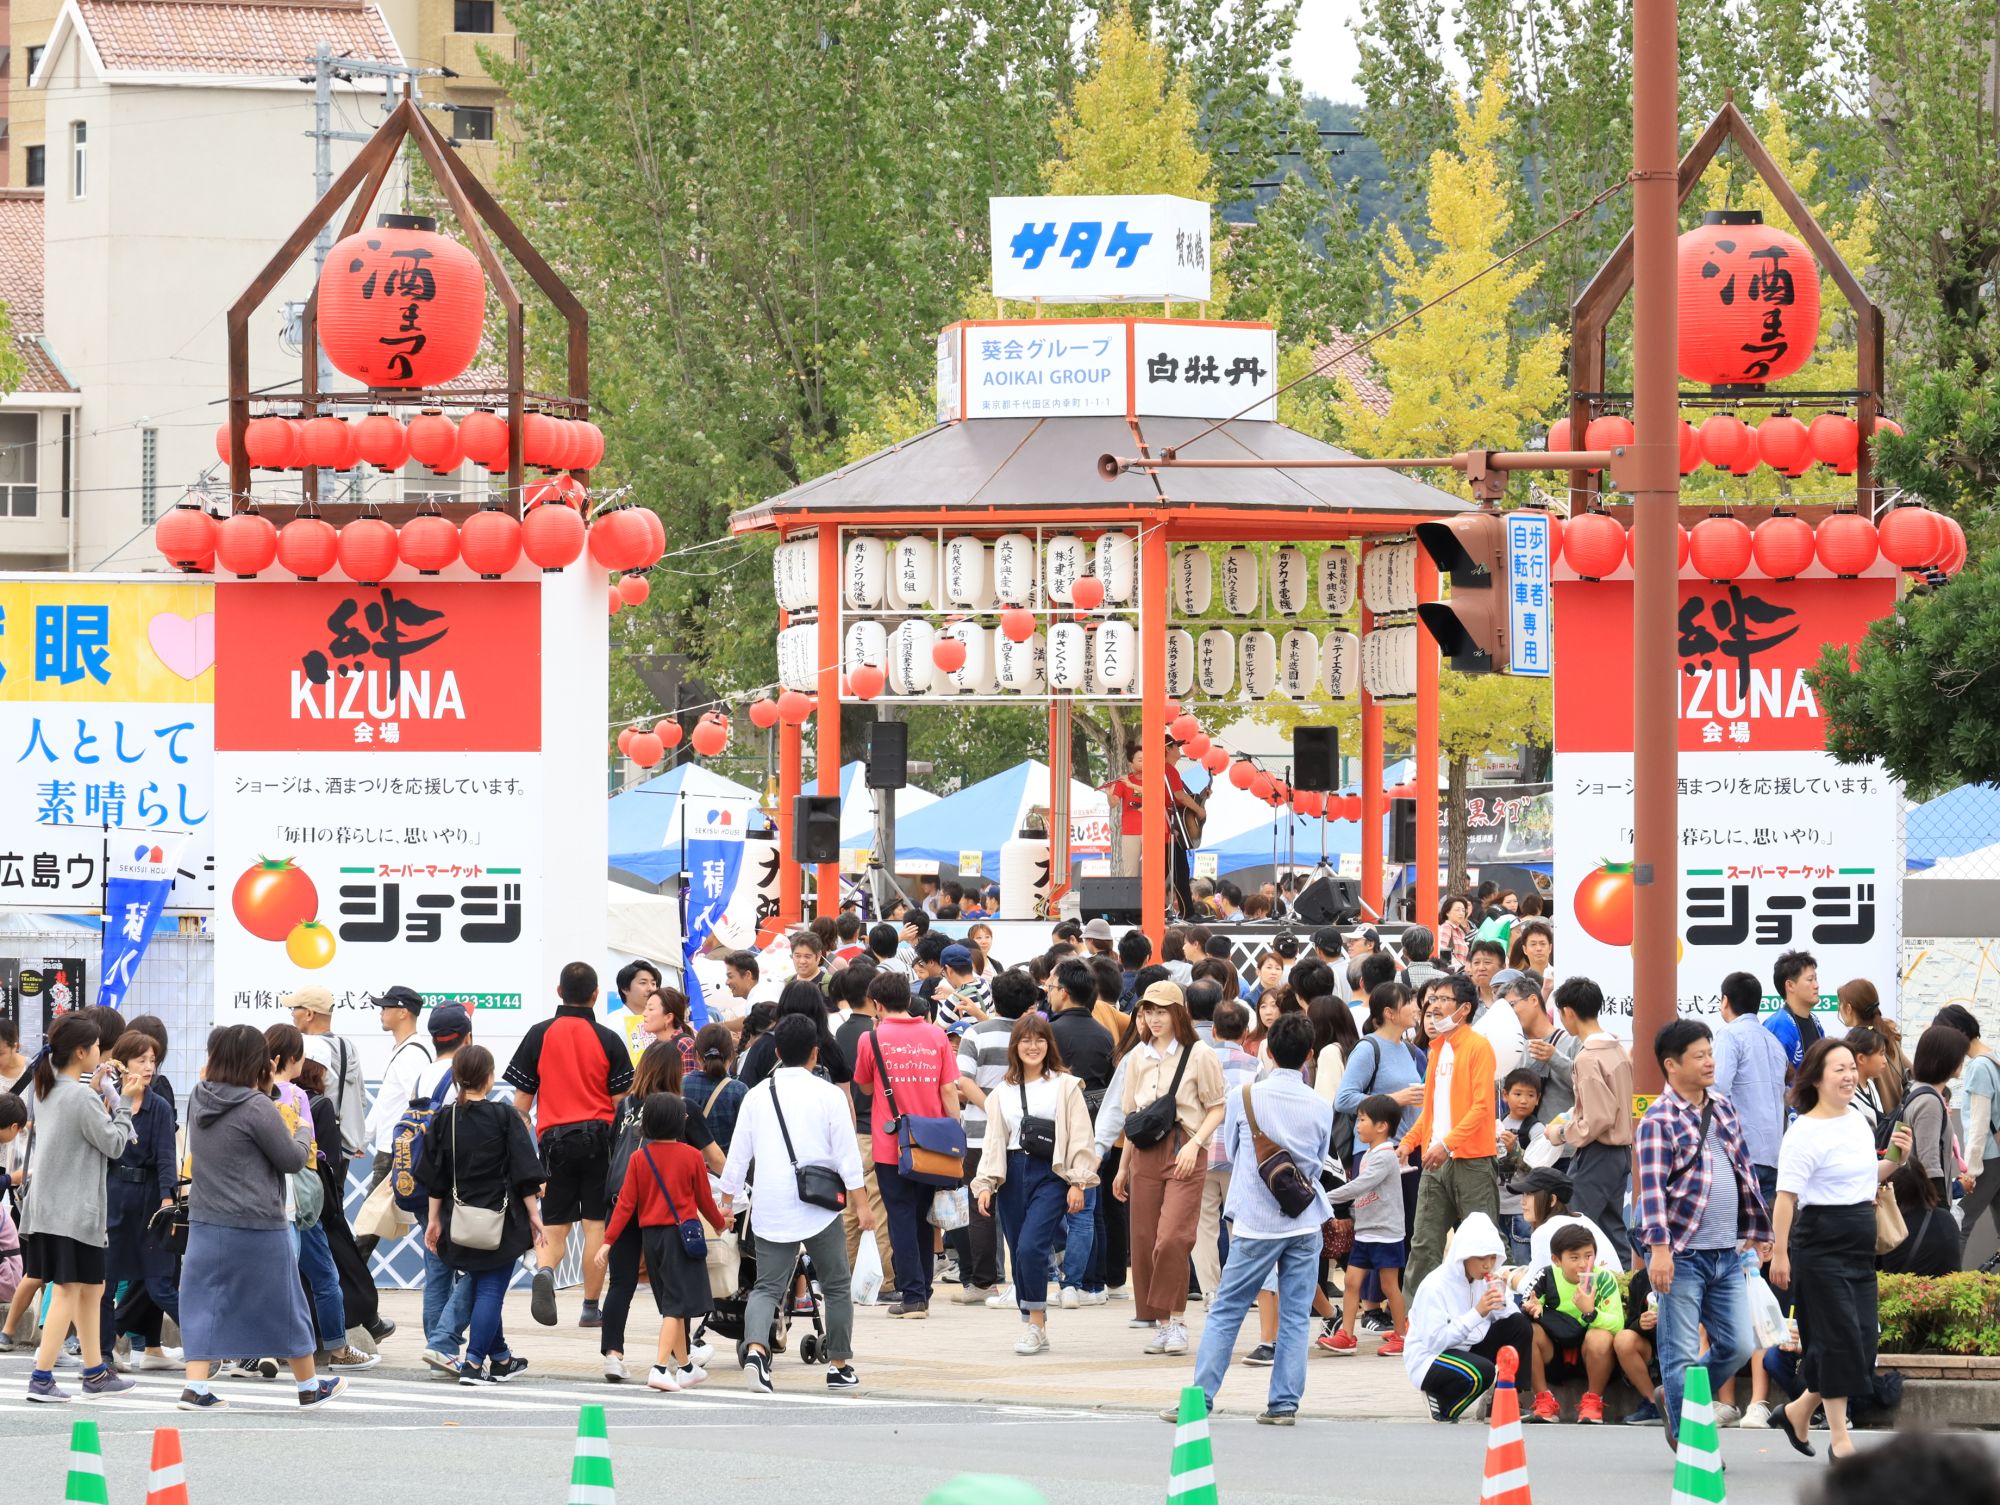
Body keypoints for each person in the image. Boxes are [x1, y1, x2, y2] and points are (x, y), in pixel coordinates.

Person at [1162, 1014, 1331, 1425]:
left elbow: (1237, 1153)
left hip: (1256, 1221)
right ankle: (1284, 1404)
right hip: (1305, 1219)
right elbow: (1319, 1160)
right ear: (1309, 1056)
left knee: (1227, 1311)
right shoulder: (1320, 1105)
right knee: (1294, 1315)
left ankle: (1200, 1400)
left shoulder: (1245, 1095)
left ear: (1267, 1051)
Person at [178, 1023, 341, 1412]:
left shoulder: (199, 1097)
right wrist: (302, 1129)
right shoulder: (256, 1106)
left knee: (203, 1302)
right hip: (256, 1223)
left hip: (205, 1219)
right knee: (287, 1303)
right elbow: (291, 1158)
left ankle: (195, 1388)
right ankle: (308, 1386)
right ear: (257, 1062)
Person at [1768, 1037, 1911, 1462]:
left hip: (1858, 1244)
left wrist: (1897, 1159)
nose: (1850, 1075)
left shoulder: (1857, 1121)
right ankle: (1839, 1439)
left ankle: (1796, 1411)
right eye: (1839, 1069)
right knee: (1837, 1340)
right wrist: (1780, 1253)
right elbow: (1786, 1198)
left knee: (1864, 1342)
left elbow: (1867, 1179)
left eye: (1853, 1067)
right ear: (1816, 1077)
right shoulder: (1803, 1132)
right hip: (1819, 1243)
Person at [1633, 1019, 1772, 1448]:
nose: (1710, 1061)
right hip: (1683, 1253)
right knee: (1679, 1355)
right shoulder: (1658, 1119)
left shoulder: (1723, 1106)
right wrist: (1660, 1250)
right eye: (1699, 1055)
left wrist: (1757, 1227)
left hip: (1727, 1253)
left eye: (1710, 1052)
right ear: (1672, 1065)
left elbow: (1743, 1168)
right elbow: (1652, 1189)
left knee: (1736, 1344)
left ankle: (1674, 1401)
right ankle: (1690, 1437)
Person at [719, 1015, 868, 1393]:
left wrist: (726, 1200)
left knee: (767, 1286)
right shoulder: (830, 1095)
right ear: (815, 1052)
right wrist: (861, 1204)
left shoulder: (756, 1096)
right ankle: (838, 1366)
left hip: (771, 1204)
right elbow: (847, 1155)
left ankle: (756, 1351)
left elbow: (737, 1156)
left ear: (778, 1052)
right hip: (820, 1207)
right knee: (835, 1285)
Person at [503, 962, 636, 1330]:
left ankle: (545, 1271)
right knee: (595, 1226)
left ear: (559, 993)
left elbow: (520, 1107)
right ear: (595, 995)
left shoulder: (538, 1034)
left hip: (553, 1141)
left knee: (556, 1225)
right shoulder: (609, 1039)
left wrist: (527, 1152)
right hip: (598, 1140)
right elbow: (620, 1105)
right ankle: (590, 1307)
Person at [19, 1013, 137, 1402]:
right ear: (83, 1052)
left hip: (50, 1208)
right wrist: (126, 1103)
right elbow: (116, 1144)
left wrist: (103, 1091)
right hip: (74, 1212)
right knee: (71, 1290)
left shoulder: (46, 1089)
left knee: (92, 1286)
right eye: (98, 1047)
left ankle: (95, 1372)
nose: (102, 1053)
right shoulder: (80, 1096)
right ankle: (41, 1376)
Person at [971, 1015, 1097, 1355]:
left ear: (1048, 1044)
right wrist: (985, 1183)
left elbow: (1082, 1137)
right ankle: (1031, 1321)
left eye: (1039, 1040)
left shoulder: (1066, 1085)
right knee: (1017, 1248)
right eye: (1025, 1040)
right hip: (1011, 1173)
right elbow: (994, 1140)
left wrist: (1078, 1181)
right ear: (1015, 1046)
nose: (1032, 1046)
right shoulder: (1002, 1092)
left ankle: (1036, 1323)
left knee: (1030, 1246)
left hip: (1051, 1173)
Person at [419, 1045, 545, 1387]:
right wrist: (534, 1216)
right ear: (489, 1078)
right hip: (501, 1222)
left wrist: (434, 1221)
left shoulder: (445, 1118)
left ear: (457, 1078)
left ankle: (501, 1358)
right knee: (490, 1291)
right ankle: (474, 1364)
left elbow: (435, 1177)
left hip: (458, 1221)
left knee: (481, 1286)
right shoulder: (504, 1116)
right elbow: (524, 1172)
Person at [1112, 980, 1225, 1356]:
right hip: (1144, 1152)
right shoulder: (1137, 1058)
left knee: (1173, 1237)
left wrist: (1196, 1144)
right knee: (1144, 1241)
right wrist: (1122, 1167)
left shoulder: (1200, 1054)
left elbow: (1217, 1107)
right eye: (1148, 1010)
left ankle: (1177, 1321)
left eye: (1162, 1010)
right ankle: (1161, 1323)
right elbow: (1132, 1116)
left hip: (1184, 1149)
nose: (1154, 1018)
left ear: (1179, 1012)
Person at [849, 970, 962, 1319]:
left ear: (878, 1004)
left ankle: (913, 1296)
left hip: (891, 1143)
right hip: (933, 1142)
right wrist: (954, 1134)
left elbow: (865, 1088)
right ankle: (922, 1289)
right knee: (924, 1216)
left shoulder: (871, 1039)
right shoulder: (936, 1035)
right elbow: (948, 1091)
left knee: (898, 1214)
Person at [596, 1092, 726, 1393]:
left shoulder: (639, 1158)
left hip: (650, 1238)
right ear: (675, 1122)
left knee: (672, 1301)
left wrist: (608, 1241)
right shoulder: (692, 1156)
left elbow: (626, 1205)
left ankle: (686, 1367)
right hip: (680, 1237)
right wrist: (720, 1224)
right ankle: (658, 1368)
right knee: (675, 1306)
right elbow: (704, 1201)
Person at [1400, 974, 1499, 1293]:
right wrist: (1408, 1142)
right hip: (1436, 1160)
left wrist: (1446, 1143)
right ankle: (1413, 1329)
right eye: (1433, 999)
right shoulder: (1437, 1048)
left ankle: (1489, 1324)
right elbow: (1430, 1110)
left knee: (1482, 1248)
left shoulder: (1477, 1046)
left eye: (1444, 999)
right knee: (1423, 1246)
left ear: (1465, 1008)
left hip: (1472, 1161)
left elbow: (1482, 1107)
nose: (1435, 1005)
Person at [97, 1029, 179, 1374]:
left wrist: (166, 1201)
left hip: (148, 1200)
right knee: (105, 1281)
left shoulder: (158, 1106)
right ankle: (102, 1353)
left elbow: (165, 1157)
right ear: (123, 1064)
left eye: (153, 1060)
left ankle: (209, 1343)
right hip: (113, 1194)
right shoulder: (107, 1101)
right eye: (141, 1060)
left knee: (160, 1280)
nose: (149, 1067)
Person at [1403, 1212, 1534, 1423]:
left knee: (1520, 1325)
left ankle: (1506, 1401)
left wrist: (1503, 1304)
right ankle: (1442, 1402)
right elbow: (1436, 1342)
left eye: (1493, 1258)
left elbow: (1512, 1323)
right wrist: (1478, 1312)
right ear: (1463, 1255)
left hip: (1468, 1349)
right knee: (1484, 1371)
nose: (1488, 1265)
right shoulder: (1435, 1285)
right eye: (1481, 1258)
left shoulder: (1487, 1279)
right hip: (1430, 1358)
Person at [1543, 977, 1633, 1266]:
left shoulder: (1588, 1057)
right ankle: (1629, 1297)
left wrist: (1562, 1132)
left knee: (1576, 1229)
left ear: (1568, 1012)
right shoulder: (1617, 1048)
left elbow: (1598, 1117)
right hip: (1620, 1153)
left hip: (1598, 1152)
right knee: (1611, 1229)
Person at [953, 966, 1029, 1305]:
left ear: (993, 998)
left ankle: (984, 1283)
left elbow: (964, 1083)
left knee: (980, 1207)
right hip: (1023, 1137)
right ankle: (1024, 1279)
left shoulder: (975, 1034)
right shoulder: (1034, 1037)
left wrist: (992, 1110)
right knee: (1019, 1207)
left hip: (978, 1136)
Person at [1325, 1093, 1410, 1356]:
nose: (1357, 1125)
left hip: (1385, 1233)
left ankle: (1402, 1335)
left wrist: (1323, 1197)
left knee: (1388, 1286)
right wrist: (1350, 1215)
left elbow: (1361, 1185)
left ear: (1382, 1126)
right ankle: (1346, 1335)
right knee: (1352, 1282)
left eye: (1362, 1120)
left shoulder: (1385, 1155)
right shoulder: (1369, 1154)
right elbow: (1363, 1196)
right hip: (1365, 1231)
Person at [830, 962, 895, 1298]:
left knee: (851, 1210)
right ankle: (883, 1281)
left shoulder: (840, 1033)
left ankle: (845, 1275)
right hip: (873, 1129)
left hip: (847, 1131)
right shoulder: (875, 1034)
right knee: (877, 1208)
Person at [1523, 1222, 1622, 1423]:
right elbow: (1529, 1302)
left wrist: (1591, 1313)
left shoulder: (1603, 1278)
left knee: (1600, 1335)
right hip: (1556, 1353)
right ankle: (1544, 1401)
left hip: (1593, 1356)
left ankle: (1593, 1401)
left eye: (1588, 1256)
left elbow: (1618, 1323)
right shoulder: (1546, 1275)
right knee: (1528, 1330)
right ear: (1556, 1260)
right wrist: (1532, 1308)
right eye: (1574, 1258)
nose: (1583, 1264)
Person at [1711, 970, 1791, 1207]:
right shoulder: (1773, 1041)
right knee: (1763, 1237)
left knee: (1737, 1236)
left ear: (1725, 1000)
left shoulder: (1729, 1035)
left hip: (1740, 1154)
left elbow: (1717, 1086)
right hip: (1773, 1154)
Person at [362, 985, 435, 1205]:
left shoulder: (412, 1053)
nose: (381, 1012)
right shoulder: (405, 1049)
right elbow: (387, 1100)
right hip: (394, 1147)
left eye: (386, 1007)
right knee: (375, 1219)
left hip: (399, 1150)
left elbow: (420, 1104)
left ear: (403, 1012)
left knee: (370, 1221)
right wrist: (364, 1138)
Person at [289, 984, 367, 1161]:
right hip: (344, 1143)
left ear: (309, 1014)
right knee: (336, 1189)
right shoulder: (347, 1046)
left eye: (294, 1008)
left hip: (312, 1142)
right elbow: (361, 1097)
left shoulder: (305, 1046)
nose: (292, 1014)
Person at [1902, 1023, 1970, 1219]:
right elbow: (1928, 1161)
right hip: (1928, 1208)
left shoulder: (1921, 1092)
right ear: (1946, 1059)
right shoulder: (1929, 1101)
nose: (1961, 1062)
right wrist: (1940, 1213)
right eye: (1959, 1056)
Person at [738, 981, 851, 1091]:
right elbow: (846, 1098)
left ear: (783, 1007)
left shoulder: (766, 1044)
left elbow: (745, 1087)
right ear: (819, 1010)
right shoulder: (830, 1047)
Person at [1512, 1166, 1623, 1276]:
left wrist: (1510, 1279)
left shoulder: (1545, 1231)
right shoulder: (1582, 1219)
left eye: (1530, 1194)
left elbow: (1534, 1285)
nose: (1523, 1202)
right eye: (1524, 1194)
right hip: (1610, 1290)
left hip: (1594, 1291)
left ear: (1552, 1200)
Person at [1507, 973, 1576, 1125]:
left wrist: (1555, 1058)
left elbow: (1588, 1086)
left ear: (1533, 1000)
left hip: (1565, 1144)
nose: (1509, 1013)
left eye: (1512, 1005)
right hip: (1524, 1145)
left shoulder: (1572, 1041)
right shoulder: (1515, 1050)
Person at [1496, 1070, 1545, 1262]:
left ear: (1538, 1099)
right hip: (1497, 1207)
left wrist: (1514, 1149)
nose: (1523, 1100)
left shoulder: (1537, 1129)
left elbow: (1538, 1168)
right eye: (1518, 1094)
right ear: (1505, 1095)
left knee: (1522, 1262)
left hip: (1522, 1209)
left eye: (1530, 1095)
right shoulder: (1497, 1124)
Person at [1837, 979, 1907, 1115]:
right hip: (1897, 1122)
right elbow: (1912, 1072)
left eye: (1840, 1004)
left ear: (1849, 1008)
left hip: (1876, 1125)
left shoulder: (1856, 1044)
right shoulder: (1890, 1034)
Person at [681, 1024, 749, 1154]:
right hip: (726, 1167)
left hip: (691, 1167)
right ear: (731, 1054)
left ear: (696, 1055)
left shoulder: (681, 1085)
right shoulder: (739, 1090)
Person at [1614, 1262, 1664, 1425]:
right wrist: (1640, 1324)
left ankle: (1690, 1402)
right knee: (1624, 1339)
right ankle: (1654, 1404)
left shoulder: (1694, 1272)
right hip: (1654, 1348)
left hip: (1687, 1343)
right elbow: (1630, 1323)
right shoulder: (1641, 1279)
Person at [1764, 950, 1823, 1075]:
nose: (1816, 985)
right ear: (1790, 986)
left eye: (1816, 979)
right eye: (1810, 980)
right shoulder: (1779, 1024)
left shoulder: (1815, 1021)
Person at [612, 960, 664, 1066]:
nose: (651, 988)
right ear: (625, 989)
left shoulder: (662, 1021)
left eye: (653, 983)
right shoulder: (614, 1023)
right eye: (643, 983)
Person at [1436, 897, 1474, 972]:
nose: (1461, 913)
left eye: (1463, 910)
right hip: (1451, 972)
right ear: (1447, 912)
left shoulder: (1460, 932)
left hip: (1460, 972)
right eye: (1457, 910)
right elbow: (1441, 951)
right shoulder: (1446, 927)